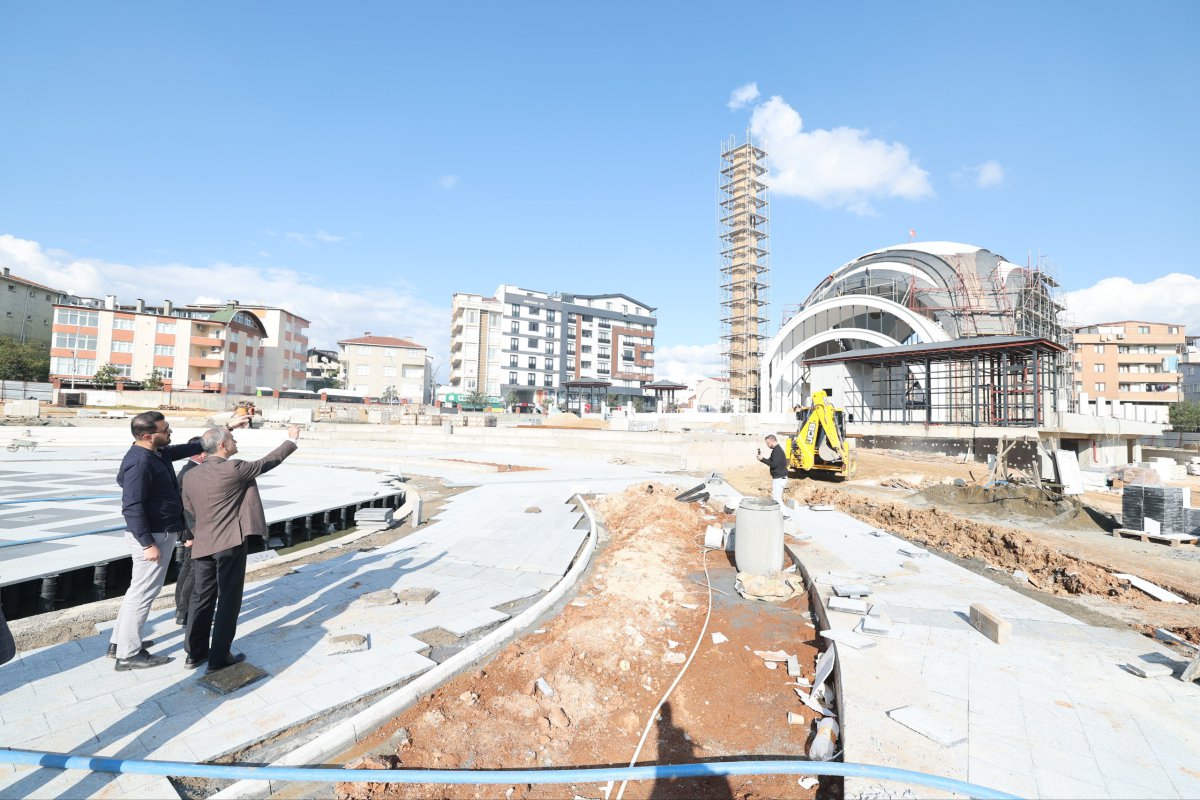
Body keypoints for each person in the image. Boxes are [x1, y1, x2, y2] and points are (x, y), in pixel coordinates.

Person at [109, 413, 249, 669]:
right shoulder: (139, 463)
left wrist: (226, 428)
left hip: (158, 531)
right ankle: (128, 655)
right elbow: (131, 507)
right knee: (143, 594)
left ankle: (120, 642)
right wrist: (147, 543)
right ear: (148, 436)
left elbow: (190, 447)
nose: (170, 432)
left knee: (137, 590)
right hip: (152, 535)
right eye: (165, 430)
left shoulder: (156, 453)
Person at [182, 424, 300, 673]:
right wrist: (291, 440)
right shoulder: (234, 468)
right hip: (229, 543)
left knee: (201, 598)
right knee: (228, 599)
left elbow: (190, 509)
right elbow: (269, 461)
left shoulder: (191, 474)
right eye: (233, 439)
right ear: (223, 445)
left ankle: (195, 653)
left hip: (203, 543)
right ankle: (219, 657)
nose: (237, 443)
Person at [173, 440, 207, 627]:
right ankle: (184, 611)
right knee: (192, 571)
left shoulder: (189, 470)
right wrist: (188, 535)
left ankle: (181, 609)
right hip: (190, 531)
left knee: (188, 570)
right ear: (201, 454)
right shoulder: (190, 473)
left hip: (189, 530)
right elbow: (184, 507)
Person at [757, 434, 788, 506]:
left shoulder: (777, 451)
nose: (767, 445)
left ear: (772, 441)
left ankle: (785, 515)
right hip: (779, 477)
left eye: (768, 443)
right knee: (776, 498)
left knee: (777, 499)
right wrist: (762, 459)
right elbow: (771, 461)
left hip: (779, 478)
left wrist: (762, 459)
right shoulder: (776, 450)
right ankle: (782, 515)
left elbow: (774, 464)